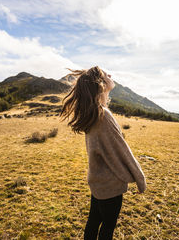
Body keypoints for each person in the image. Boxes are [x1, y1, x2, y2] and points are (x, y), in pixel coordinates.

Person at [59, 66, 147, 240]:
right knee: (107, 229)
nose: (110, 75)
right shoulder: (103, 114)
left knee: (93, 223)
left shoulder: (91, 111)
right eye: (106, 74)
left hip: (97, 182)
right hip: (110, 186)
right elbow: (122, 151)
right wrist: (140, 178)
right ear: (100, 84)